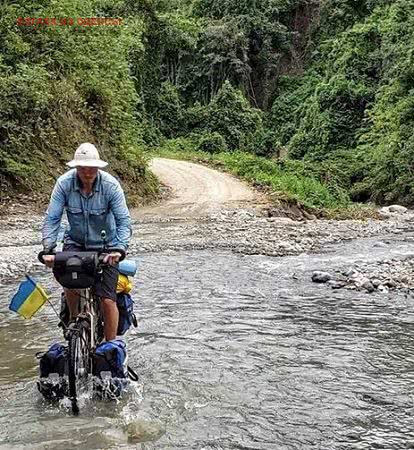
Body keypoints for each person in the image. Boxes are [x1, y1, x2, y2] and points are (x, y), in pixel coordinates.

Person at [40, 143, 131, 341]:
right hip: (76, 242)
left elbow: (124, 221)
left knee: (107, 299)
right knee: (70, 284)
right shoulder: (64, 184)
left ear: (98, 168)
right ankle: (74, 322)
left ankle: (110, 347)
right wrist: (48, 248)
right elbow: (52, 218)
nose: (87, 172)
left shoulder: (111, 186)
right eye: (82, 168)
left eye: (91, 168)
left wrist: (119, 249)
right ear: (76, 168)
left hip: (108, 246)